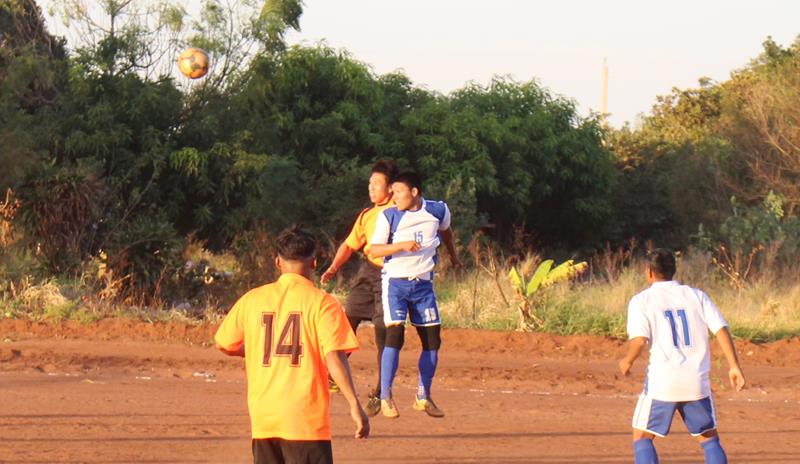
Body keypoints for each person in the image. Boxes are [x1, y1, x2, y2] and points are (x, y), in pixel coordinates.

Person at [215, 225, 369, 464]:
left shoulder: (253, 299)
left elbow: (224, 344)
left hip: (264, 418)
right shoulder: (323, 303)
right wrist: (354, 404)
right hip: (305, 419)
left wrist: (257, 350)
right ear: (314, 263)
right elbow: (334, 357)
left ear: (277, 262)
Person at [619, 249, 746, 464]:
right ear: (673, 270)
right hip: (695, 381)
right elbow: (721, 329)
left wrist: (627, 360)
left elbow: (639, 340)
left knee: (642, 437)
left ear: (648, 272)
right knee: (709, 439)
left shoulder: (642, 300)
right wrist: (734, 366)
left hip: (663, 383)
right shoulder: (696, 295)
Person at [368, 171, 462, 419]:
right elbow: (374, 250)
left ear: (414, 192)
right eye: (392, 191)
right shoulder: (388, 215)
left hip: (423, 286)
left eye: (398, 191)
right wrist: (401, 245)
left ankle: (423, 396)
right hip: (396, 284)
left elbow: (447, 231)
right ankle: (385, 396)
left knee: (432, 342)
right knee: (395, 335)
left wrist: (453, 256)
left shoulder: (438, 210)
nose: (393, 196)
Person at [320, 160, 399, 416]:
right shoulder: (367, 214)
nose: (371, 188)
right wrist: (333, 267)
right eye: (370, 183)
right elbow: (349, 245)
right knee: (347, 317)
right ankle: (333, 376)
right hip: (368, 271)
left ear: (391, 189)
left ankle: (381, 392)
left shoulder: (401, 210)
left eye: (377, 184)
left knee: (381, 331)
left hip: (391, 274)